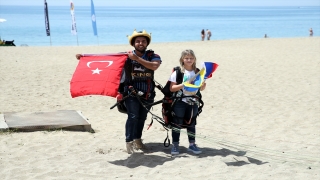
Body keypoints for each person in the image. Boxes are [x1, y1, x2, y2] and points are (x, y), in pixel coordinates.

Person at [76, 30, 161, 154]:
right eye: (137, 41)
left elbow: (154, 66)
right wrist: (85, 56)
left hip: (148, 92)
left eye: (143, 41)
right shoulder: (125, 56)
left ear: (147, 43)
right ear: (133, 43)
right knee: (133, 116)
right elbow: (107, 58)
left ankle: (138, 140)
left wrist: (136, 58)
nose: (140, 43)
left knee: (142, 118)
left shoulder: (153, 56)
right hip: (131, 92)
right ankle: (129, 142)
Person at [168, 49, 206, 155]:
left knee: (192, 123)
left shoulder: (198, 71)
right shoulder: (178, 72)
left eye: (191, 58)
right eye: (186, 58)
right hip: (180, 101)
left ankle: (192, 145)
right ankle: (175, 145)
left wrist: (203, 85)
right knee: (177, 123)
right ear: (182, 59)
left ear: (194, 59)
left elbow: (200, 89)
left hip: (193, 101)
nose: (189, 60)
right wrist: (184, 84)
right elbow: (172, 88)